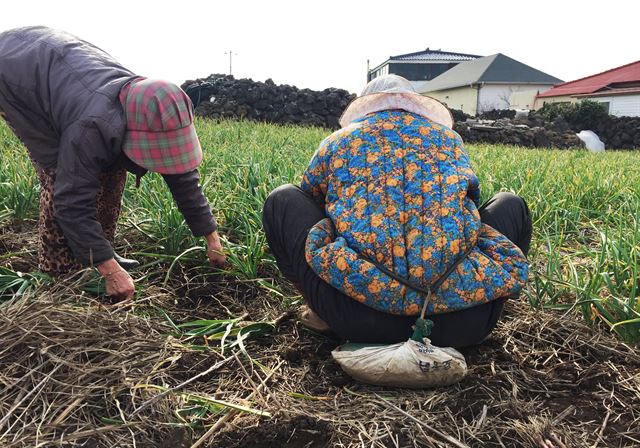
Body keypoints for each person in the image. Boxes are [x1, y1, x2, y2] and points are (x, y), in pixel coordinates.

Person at [263, 74, 531, 347]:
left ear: (366, 106)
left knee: (282, 200)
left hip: (356, 318)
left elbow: (313, 201)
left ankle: (321, 314)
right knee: (511, 204)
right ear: (414, 104)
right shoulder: (450, 141)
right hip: (464, 324)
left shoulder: (337, 142)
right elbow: (471, 201)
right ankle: (483, 307)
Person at [0, 26, 226, 300]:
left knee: (113, 166)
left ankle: (99, 250)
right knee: (60, 172)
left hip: (56, 69)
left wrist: (211, 238)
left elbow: (182, 176)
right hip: (14, 77)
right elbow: (70, 200)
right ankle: (57, 272)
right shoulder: (92, 126)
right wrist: (111, 272)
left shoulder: (153, 107)